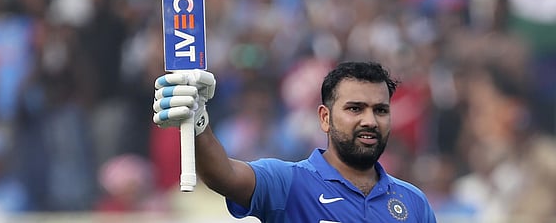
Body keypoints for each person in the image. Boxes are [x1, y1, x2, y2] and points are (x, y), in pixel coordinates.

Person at [153, 60, 437, 222]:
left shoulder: (413, 202)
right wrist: (198, 121)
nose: (370, 121)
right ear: (325, 118)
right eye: (355, 109)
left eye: (381, 110)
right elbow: (222, 175)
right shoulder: (289, 182)